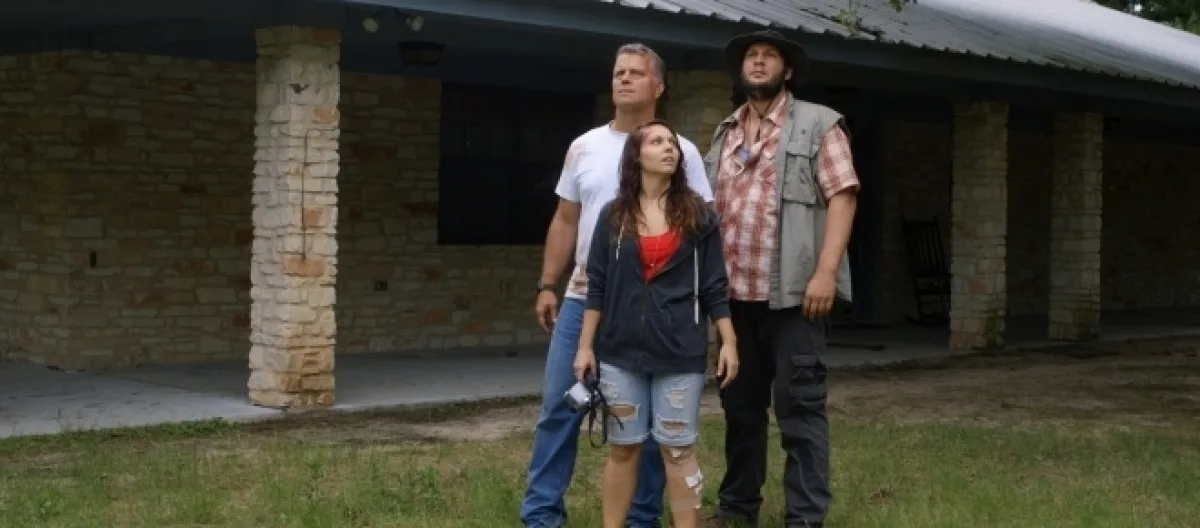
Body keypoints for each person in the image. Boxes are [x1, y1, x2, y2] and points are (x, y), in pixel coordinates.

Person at [520, 43, 715, 528]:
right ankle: (542, 515)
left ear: (659, 86)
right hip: (583, 298)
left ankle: (642, 517)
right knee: (560, 405)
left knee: (646, 422)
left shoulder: (682, 151)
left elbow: (699, 228)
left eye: (635, 73)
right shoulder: (584, 147)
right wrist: (547, 283)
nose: (623, 79)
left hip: (653, 308)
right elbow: (566, 219)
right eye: (618, 72)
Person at [702, 30, 861, 528]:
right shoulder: (726, 131)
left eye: (769, 56)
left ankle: (805, 518)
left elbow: (843, 196)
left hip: (796, 297)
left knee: (800, 409)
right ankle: (737, 509)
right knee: (740, 411)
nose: (758, 62)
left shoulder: (818, 123)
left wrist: (826, 273)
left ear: (786, 70)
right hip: (735, 301)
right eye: (751, 56)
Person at [573, 120, 739, 528]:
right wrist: (585, 346)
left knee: (678, 451)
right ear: (637, 155)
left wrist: (729, 342)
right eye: (658, 141)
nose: (670, 149)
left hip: (680, 352)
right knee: (623, 449)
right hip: (619, 353)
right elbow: (597, 285)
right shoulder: (614, 216)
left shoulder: (698, 216)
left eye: (673, 144)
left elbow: (715, 284)